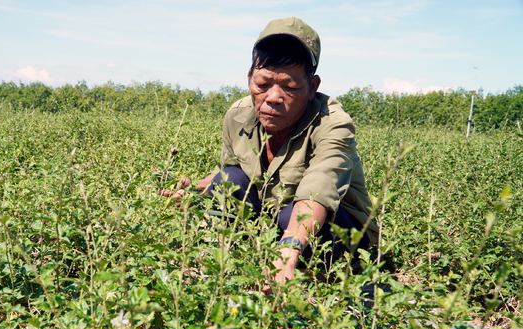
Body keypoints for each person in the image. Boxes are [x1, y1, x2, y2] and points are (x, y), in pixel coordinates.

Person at [161, 17, 378, 292]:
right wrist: (197, 188)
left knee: (293, 219)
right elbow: (232, 170)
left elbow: (318, 192)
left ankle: (300, 274)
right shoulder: (239, 116)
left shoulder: (333, 124)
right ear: (249, 79)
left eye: (290, 87)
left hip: (338, 229)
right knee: (229, 181)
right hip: (275, 218)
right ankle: (234, 261)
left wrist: (289, 246)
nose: (273, 97)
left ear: (313, 87)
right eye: (263, 84)